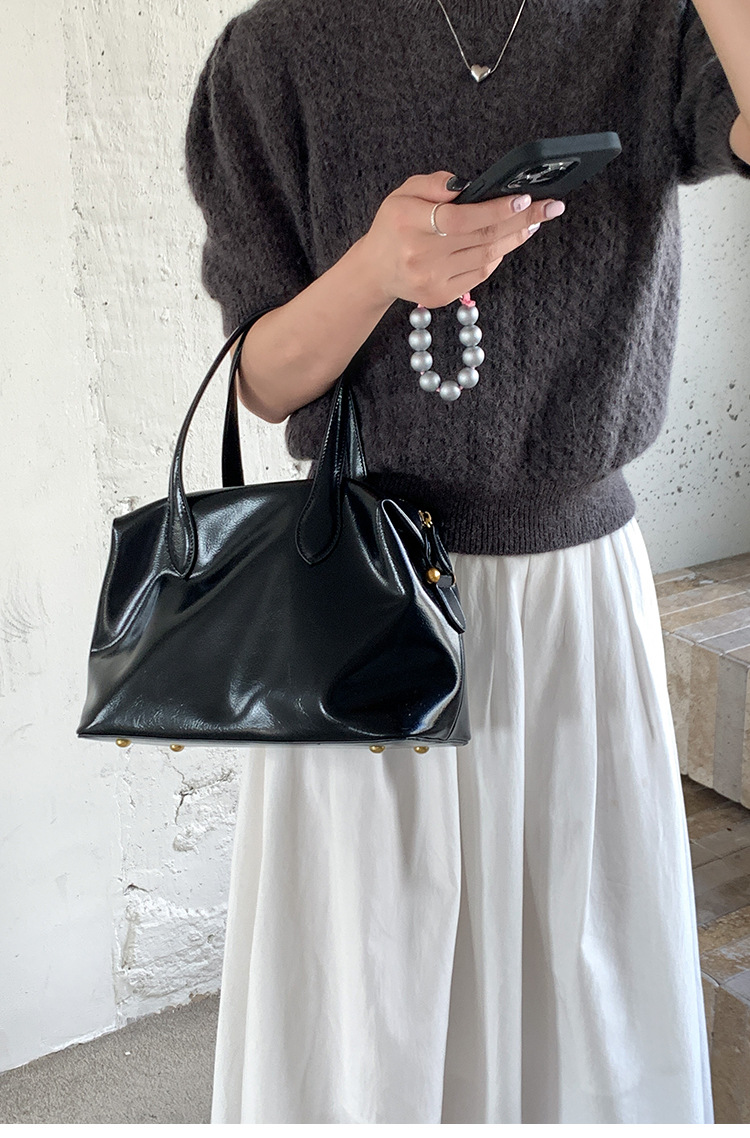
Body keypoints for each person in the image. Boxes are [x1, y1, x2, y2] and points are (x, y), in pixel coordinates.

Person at [185, 0, 750, 1122]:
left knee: (586, 985)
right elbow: (263, 379)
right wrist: (376, 270)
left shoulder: (647, 25)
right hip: (368, 596)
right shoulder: (277, 51)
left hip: (576, 594)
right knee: (372, 995)